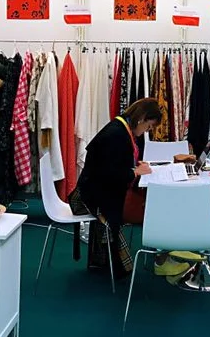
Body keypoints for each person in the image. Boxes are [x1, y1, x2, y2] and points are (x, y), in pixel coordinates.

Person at [68, 98, 159, 280]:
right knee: (128, 211)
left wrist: (134, 167)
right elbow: (109, 173)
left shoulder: (120, 128)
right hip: (91, 196)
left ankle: (105, 260)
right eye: (148, 126)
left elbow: (112, 165)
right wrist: (135, 172)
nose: (146, 131)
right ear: (141, 118)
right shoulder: (117, 133)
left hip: (93, 190)